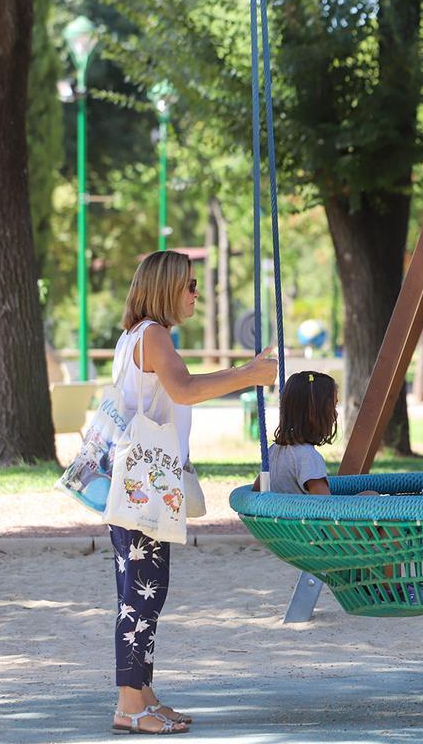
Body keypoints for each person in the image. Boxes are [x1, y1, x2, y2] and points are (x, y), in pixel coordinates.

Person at [109, 251, 278, 735]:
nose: (195, 293)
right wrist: (247, 375)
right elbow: (183, 389)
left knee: (145, 591)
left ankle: (143, 696)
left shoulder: (133, 336)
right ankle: (128, 704)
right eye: (189, 285)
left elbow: (167, 398)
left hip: (140, 486)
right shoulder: (155, 335)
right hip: (144, 491)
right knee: (140, 597)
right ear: (165, 288)